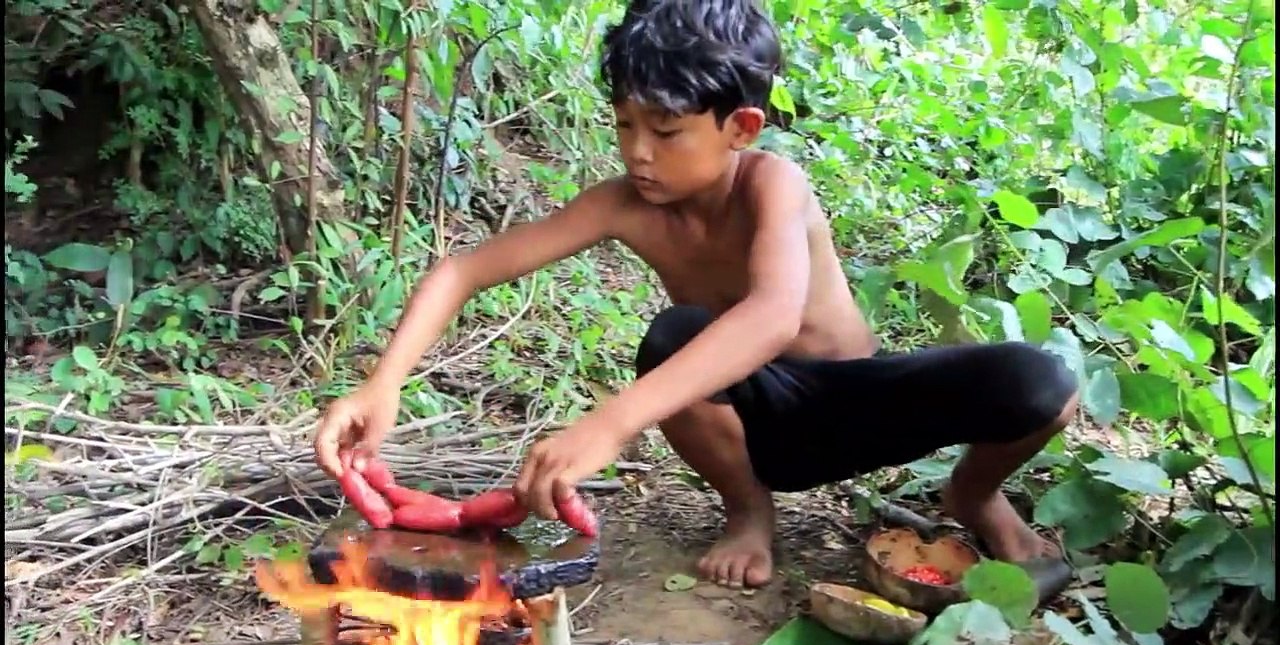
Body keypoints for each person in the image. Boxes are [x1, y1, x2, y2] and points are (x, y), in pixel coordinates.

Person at [314, 0, 1080, 589]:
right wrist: (382, 385)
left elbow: (773, 315)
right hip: (756, 422)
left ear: (741, 127)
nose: (637, 152)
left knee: (1040, 383)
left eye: (666, 130)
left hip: (856, 402)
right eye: (623, 125)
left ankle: (975, 496)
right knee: (675, 333)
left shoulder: (773, 183)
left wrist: (607, 426)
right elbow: (461, 271)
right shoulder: (623, 204)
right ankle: (749, 512)